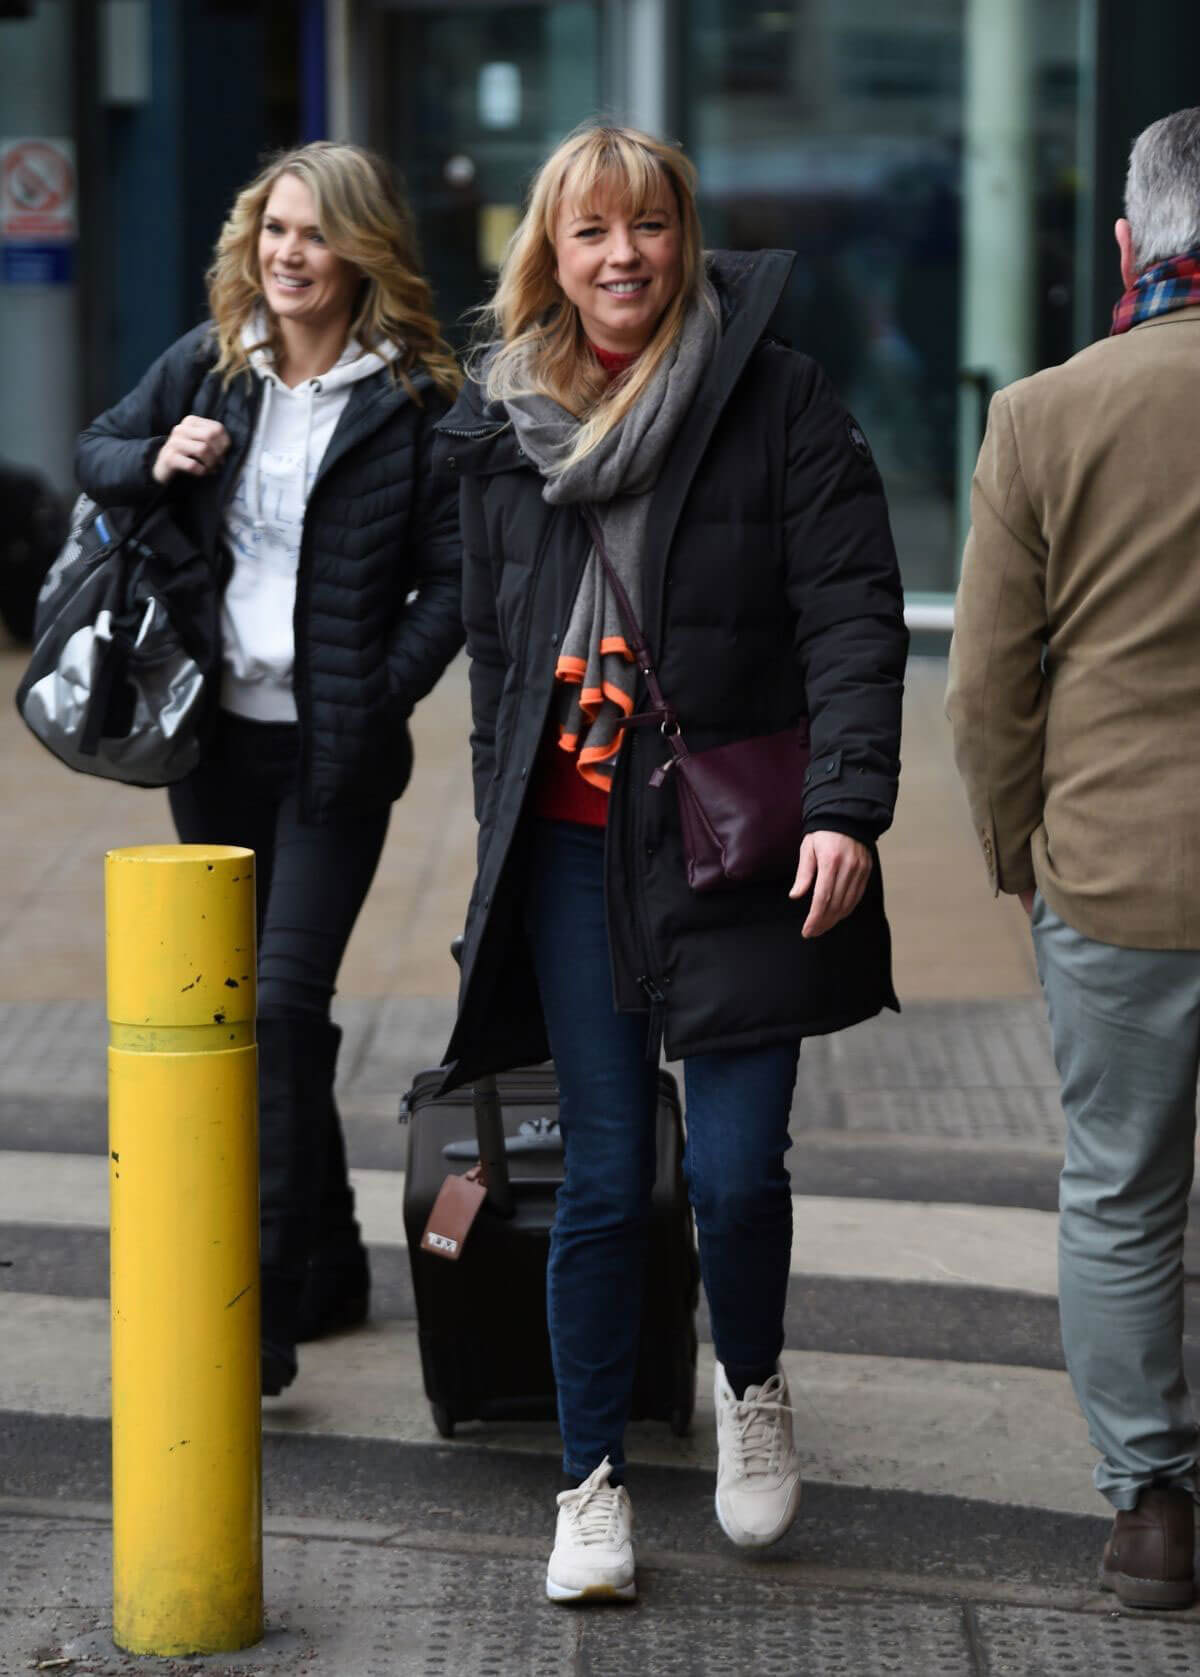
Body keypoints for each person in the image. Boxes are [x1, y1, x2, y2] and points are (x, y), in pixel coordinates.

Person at [437, 124, 908, 1602]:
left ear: (682, 237)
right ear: (550, 254)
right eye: (590, 233)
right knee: (595, 1174)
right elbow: (499, 659)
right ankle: (591, 1488)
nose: (622, 254)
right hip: (577, 850)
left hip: (737, 840)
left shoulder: (772, 397)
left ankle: (751, 1387)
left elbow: (850, 608)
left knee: (730, 1166)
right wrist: (496, 830)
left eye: (647, 225)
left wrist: (848, 803)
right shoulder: (499, 425)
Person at [75, 142, 464, 1396]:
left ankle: (259, 1308)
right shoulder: (212, 364)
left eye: (315, 234)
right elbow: (95, 451)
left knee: (281, 1008)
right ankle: (331, 1257)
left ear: (362, 253)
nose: (288, 254)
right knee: (251, 1022)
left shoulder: (413, 397)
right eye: (274, 229)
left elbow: (456, 578)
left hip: (335, 755)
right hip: (214, 741)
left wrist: (381, 680)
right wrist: (158, 459)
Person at [947, 108, 1200, 1611]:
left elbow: (986, 689)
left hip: (1113, 871)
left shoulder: (1043, 414)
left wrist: (1012, 850)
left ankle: (1153, 1508)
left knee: (1119, 1194)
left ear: (1128, 247)